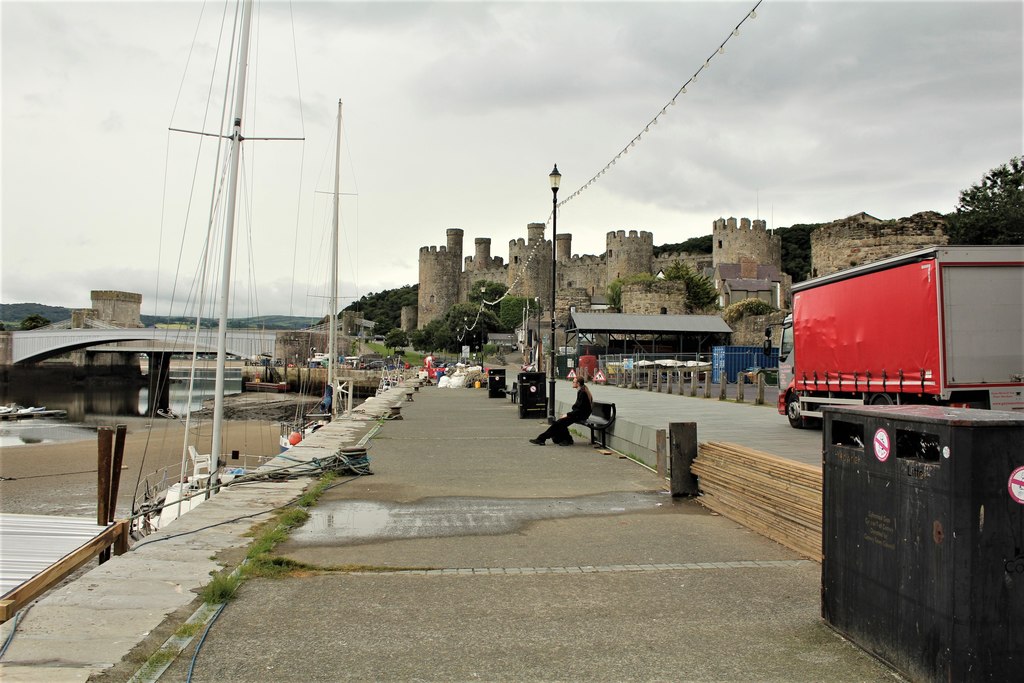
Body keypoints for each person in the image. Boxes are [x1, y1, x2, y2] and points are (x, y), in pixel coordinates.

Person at [529, 376, 592, 446]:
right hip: (579, 414)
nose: (572, 383)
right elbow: (579, 409)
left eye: (574, 382)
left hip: (580, 416)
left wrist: (568, 414)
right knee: (560, 422)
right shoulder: (582, 391)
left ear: (578, 383)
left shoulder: (582, 393)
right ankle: (566, 439)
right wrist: (568, 414)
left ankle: (542, 438)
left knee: (560, 422)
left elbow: (579, 409)